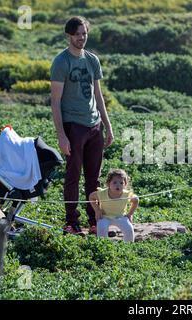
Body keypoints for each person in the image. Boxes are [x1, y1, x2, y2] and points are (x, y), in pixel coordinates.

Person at [50, 16, 114, 235]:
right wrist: (61, 135)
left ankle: (94, 219)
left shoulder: (92, 60)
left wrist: (107, 125)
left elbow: (98, 94)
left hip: (94, 125)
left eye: (84, 33)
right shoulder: (61, 62)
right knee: (73, 175)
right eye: (77, 34)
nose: (81, 38)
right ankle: (71, 221)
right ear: (69, 35)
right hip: (73, 126)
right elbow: (55, 101)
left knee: (93, 178)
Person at [89, 169, 139, 242]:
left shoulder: (126, 194)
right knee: (102, 228)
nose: (118, 185)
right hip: (104, 216)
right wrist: (97, 210)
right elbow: (91, 197)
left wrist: (130, 214)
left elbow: (136, 200)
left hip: (120, 216)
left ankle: (129, 247)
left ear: (125, 184)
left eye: (121, 183)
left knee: (129, 229)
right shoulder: (102, 193)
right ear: (108, 183)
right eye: (114, 182)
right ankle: (103, 247)